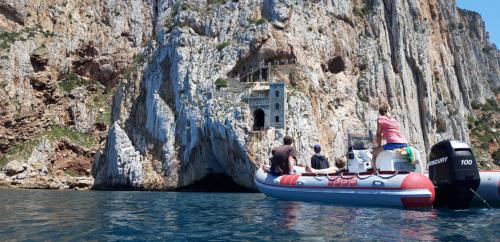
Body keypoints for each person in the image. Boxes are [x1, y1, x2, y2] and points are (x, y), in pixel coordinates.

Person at [371, 103, 408, 169]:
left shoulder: (380, 119)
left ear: (380, 112)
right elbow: (391, 134)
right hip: (404, 144)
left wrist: (378, 146)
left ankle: (375, 173)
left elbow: (378, 134)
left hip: (393, 144)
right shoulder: (394, 120)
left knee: (374, 153)